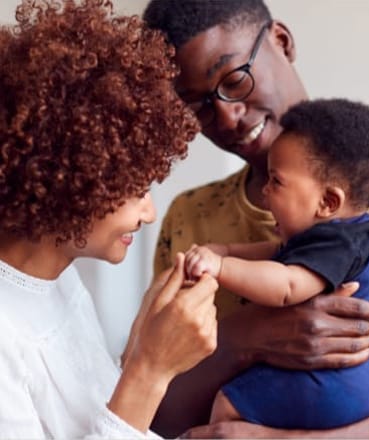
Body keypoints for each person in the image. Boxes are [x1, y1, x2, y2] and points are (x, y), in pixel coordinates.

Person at [139, 0, 369, 437]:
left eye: (235, 79)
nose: (226, 116)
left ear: (281, 41)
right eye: (198, 104)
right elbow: (156, 411)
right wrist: (243, 337)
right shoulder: (190, 219)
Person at [0, 0, 218, 438]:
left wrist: (140, 345)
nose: (149, 211)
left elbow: (88, 414)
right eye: (136, 188)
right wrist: (150, 371)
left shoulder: (56, 279)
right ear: (69, 176)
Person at [184, 98, 369, 429]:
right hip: (356, 386)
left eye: (276, 181)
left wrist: (220, 267)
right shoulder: (352, 234)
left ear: (327, 201)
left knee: (228, 405)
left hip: (333, 384)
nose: (265, 192)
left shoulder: (337, 244)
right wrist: (225, 249)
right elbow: (273, 254)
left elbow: (285, 286)